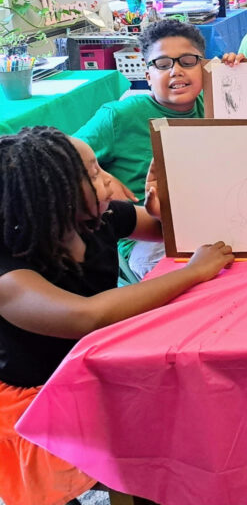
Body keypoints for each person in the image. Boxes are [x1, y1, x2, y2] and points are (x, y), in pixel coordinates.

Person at [0, 127, 234, 505]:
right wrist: (192, 272)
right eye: (93, 172)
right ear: (53, 198)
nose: (109, 178)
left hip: (93, 363)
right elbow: (87, 316)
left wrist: (163, 208)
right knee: (59, 486)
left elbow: (166, 231)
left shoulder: (100, 218)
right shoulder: (9, 276)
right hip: (37, 394)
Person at [74, 20, 244, 282]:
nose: (176, 71)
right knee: (207, 283)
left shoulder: (218, 101)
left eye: (187, 61)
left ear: (206, 66)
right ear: (147, 76)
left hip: (215, 220)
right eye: (162, 64)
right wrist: (101, 176)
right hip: (149, 234)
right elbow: (57, 156)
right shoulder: (118, 116)